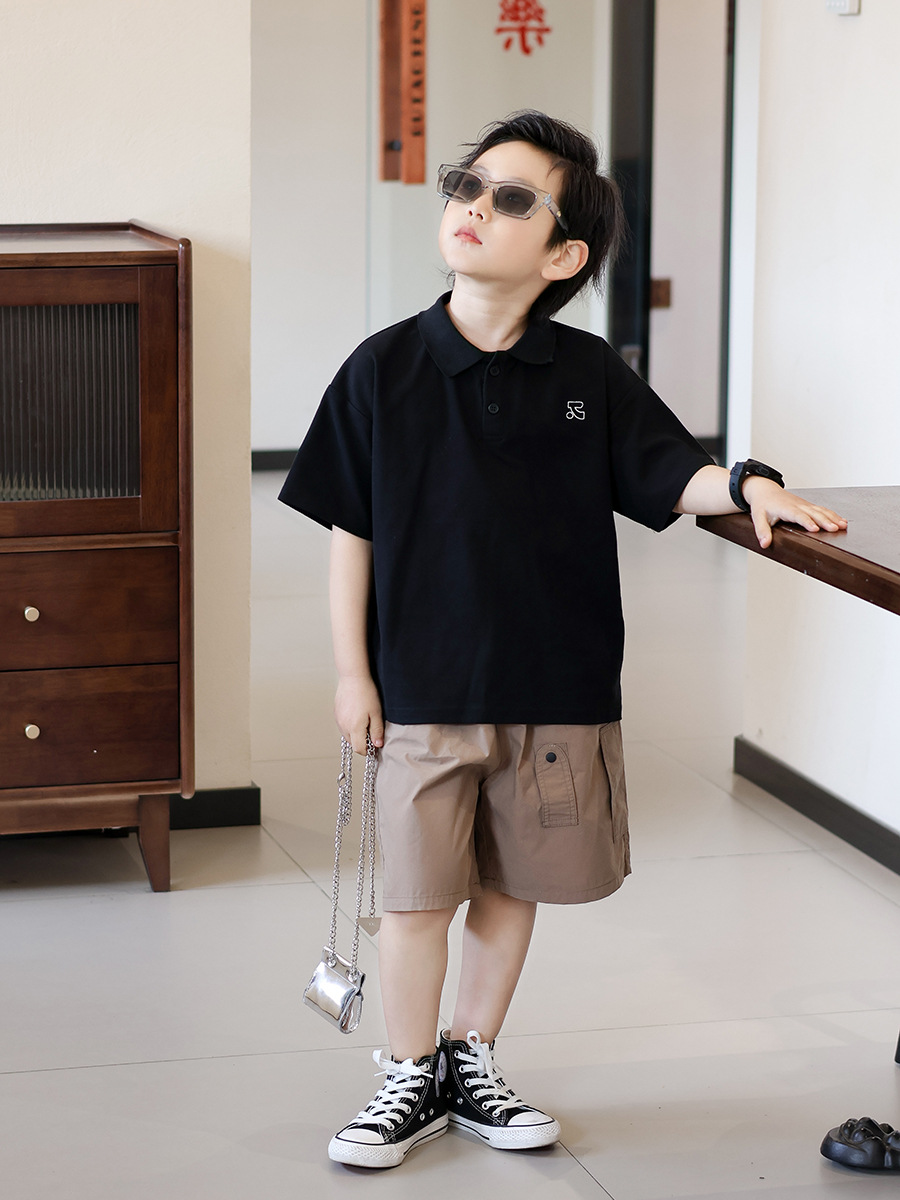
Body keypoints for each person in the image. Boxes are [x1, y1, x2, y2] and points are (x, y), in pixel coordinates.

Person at [279, 110, 847, 1170]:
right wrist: (354, 673)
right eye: (467, 185)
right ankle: (409, 1073)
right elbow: (351, 531)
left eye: (510, 199)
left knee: (514, 883)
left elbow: (670, 472)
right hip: (423, 688)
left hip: (558, 686)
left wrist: (748, 482)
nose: (473, 208)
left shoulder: (588, 374)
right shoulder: (383, 369)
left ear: (563, 256)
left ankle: (471, 1057)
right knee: (417, 897)